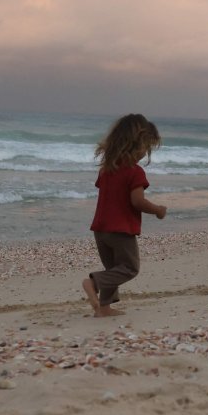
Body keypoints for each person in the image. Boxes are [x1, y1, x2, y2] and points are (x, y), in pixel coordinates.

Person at [81, 113, 168, 317]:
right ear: (135, 144)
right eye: (145, 149)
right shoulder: (134, 172)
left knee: (113, 269)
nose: (144, 154)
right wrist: (157, 210)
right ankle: (92, 283)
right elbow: (136, 201)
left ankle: (104, 308)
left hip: (100, 229)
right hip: (120, 230)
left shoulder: (107, 169)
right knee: (129, 268)